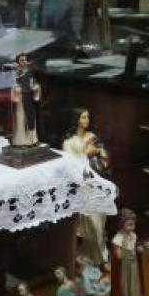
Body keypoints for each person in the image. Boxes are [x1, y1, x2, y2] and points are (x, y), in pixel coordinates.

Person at [63, 109, 109, 264]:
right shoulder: (69, 142)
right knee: (91, 225)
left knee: (100, 223)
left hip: (97, 183)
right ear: (76, 119)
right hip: (83, 187)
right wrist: (87, 154)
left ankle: (97, 256)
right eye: (83, 117)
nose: (87, 119)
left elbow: (104, 158)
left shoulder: (92, 137)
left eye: (88, 116)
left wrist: (99, 152)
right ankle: (95, 257)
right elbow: (69, 166)